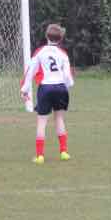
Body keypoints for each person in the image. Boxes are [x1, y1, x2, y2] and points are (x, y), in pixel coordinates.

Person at [20, 23, 74, 164]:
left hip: (46, 88)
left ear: (46, 36)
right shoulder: (63, 54)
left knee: (42, 122)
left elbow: (30, 71)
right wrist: (67, 86)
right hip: (61, 88)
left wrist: (24, 89)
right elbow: (67, 76)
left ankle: (40, 156)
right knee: (59, 119)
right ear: (60, 38)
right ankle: (63, 152)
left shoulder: (40, 52)